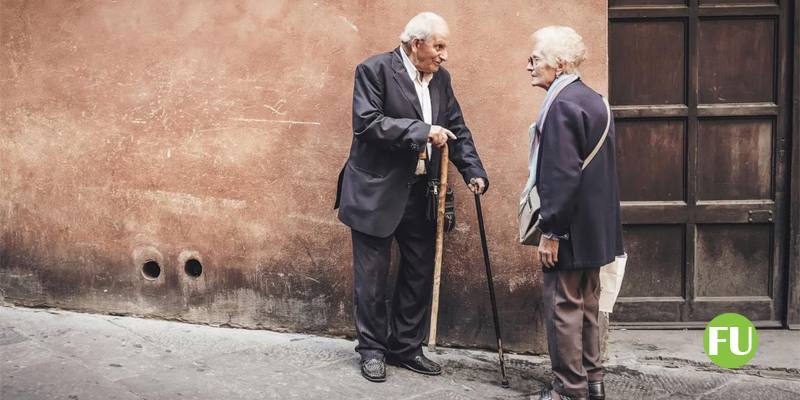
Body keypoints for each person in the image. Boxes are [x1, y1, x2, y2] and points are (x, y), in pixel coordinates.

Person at [334, 12, 489, 383]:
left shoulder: (442, 80)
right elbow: (368, 123)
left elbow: (456, 129)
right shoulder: (374, 70)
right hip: (375, 191)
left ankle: (405, 347)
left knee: (419, 273)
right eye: (439, 46)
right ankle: (372, 350)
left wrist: (474, 171)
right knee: (371, 279)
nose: (444, 55)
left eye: (444, 46)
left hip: (421, 193)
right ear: (416, 43)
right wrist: (422, 131)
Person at [524, 26, 624, 400]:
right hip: (595, 228)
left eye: (536, 59)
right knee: (589, 305)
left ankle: (568, 390)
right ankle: (593, 382)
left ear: (559, 63)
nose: (529, 66)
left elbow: (562, 176)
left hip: (569, 228)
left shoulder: (562, 104)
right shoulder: (594, 99)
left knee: (564, 306)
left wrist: (551, 232)